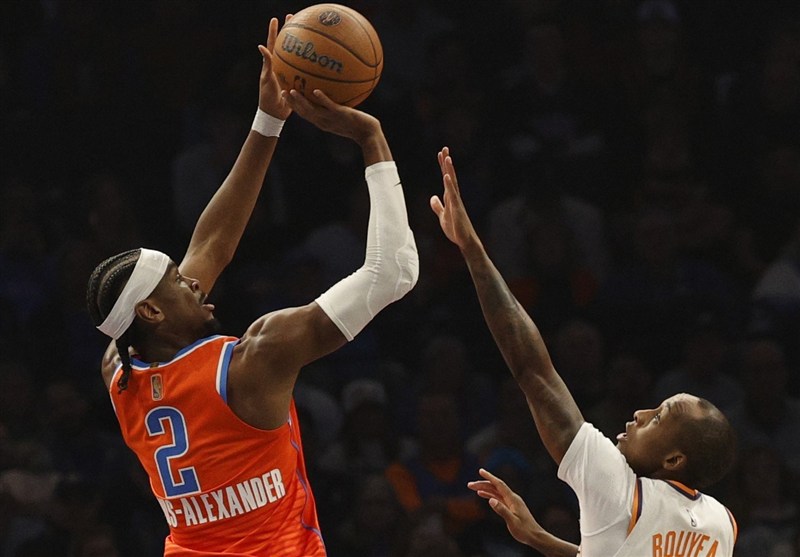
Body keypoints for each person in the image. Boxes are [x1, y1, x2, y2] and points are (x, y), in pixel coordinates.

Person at [84, 16, 418, 557]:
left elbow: (212, 245)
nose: (193, 281)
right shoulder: (254, 359)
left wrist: (269, 120)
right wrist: (370, 138)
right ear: (150, 312)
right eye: (178, 281)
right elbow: (394, 273)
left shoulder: (118, 370)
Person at [430, 147, 737, 556]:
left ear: (673, 460)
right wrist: (539, 538)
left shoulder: (617, 485)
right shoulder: (722, 524)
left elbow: (533, 372)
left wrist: (472, 248)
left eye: (659, 416)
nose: (641, 413)